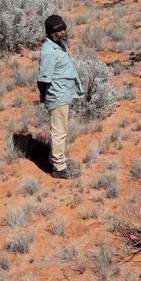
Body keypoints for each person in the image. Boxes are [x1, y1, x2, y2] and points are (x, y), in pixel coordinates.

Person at [37, 14, 83, 179]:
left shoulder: (59, 45)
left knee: (61, 130)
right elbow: (42, 80)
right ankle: (59, 168)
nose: (63, 32)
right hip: (57, 96)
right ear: (50, 32)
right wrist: (44, 96)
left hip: (63, 94)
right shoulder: (49, 52)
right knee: (59, 131)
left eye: (64, 28)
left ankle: (57, 159)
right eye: (59, 30)